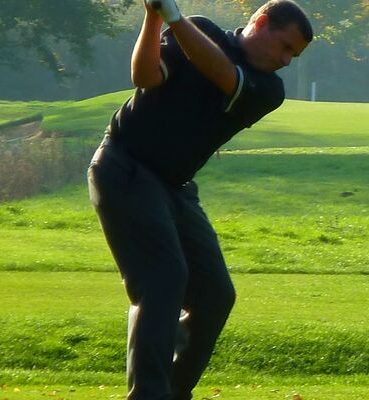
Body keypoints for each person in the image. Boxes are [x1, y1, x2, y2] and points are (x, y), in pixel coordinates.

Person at [87, 0, 312, 398]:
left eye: (293, 54)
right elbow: (144, 76)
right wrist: (153, 16)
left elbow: (224, 73)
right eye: (285, 47)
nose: (287, 61)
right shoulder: (201, 29)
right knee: (163, 279)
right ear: (260, 22)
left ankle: (174, 392)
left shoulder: (268, 89)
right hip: (125, 167)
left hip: (176, 187)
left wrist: (174, 16)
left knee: (215, 294)